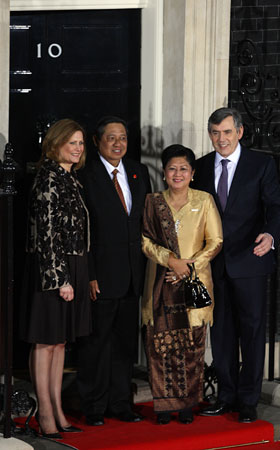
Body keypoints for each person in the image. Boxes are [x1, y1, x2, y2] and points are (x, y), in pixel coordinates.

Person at [193, 107, 280, 423]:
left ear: (240, 132)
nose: (222, 139)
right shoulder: (201, 167)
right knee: (221, 335)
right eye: (216, 133)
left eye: (227, 132)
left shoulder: (261, 164)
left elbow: (275, 206)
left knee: (252, 333)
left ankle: (248, 400)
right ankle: (226, 395)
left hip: (251, 262)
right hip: (214, 266)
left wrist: (271, 235)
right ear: (210, 134)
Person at [77, 116, 151, 426]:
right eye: (111, 138)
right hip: (102, 275)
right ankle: (93, 406)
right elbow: (82, 230)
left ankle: (121, 404)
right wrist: (89, 273)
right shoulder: (86, 175)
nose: (118, 143)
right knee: (97, 343)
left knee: (124, 344)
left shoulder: (138, 170)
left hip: (134, 275)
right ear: (97, 142)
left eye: (122, 137)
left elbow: (144, 220)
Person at [20, 119, 91, 438]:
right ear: (56, 142)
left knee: (60, 342)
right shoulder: (48, 177)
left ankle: (58, 409)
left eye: (80, 143)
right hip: (52, 270)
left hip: (73, 266)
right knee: (46, 342)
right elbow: (46, 234)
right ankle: (45, 414)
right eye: (72, 142)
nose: (77, 148)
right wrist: (60, 278)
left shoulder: (70, 178)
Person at [141, 144, 223, 425]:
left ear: (192, 173)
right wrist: (170, 261)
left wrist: (187, 267)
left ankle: (188, 404)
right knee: (160, 346)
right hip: (159, 284)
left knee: (191, 346)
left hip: (194, 284)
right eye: (172, 168)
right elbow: (145, 242)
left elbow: (215, 242)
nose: (178, 173)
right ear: (164, 174)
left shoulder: (204, 200)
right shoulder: (153, 202)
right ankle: (164, 406)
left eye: (183, 169)